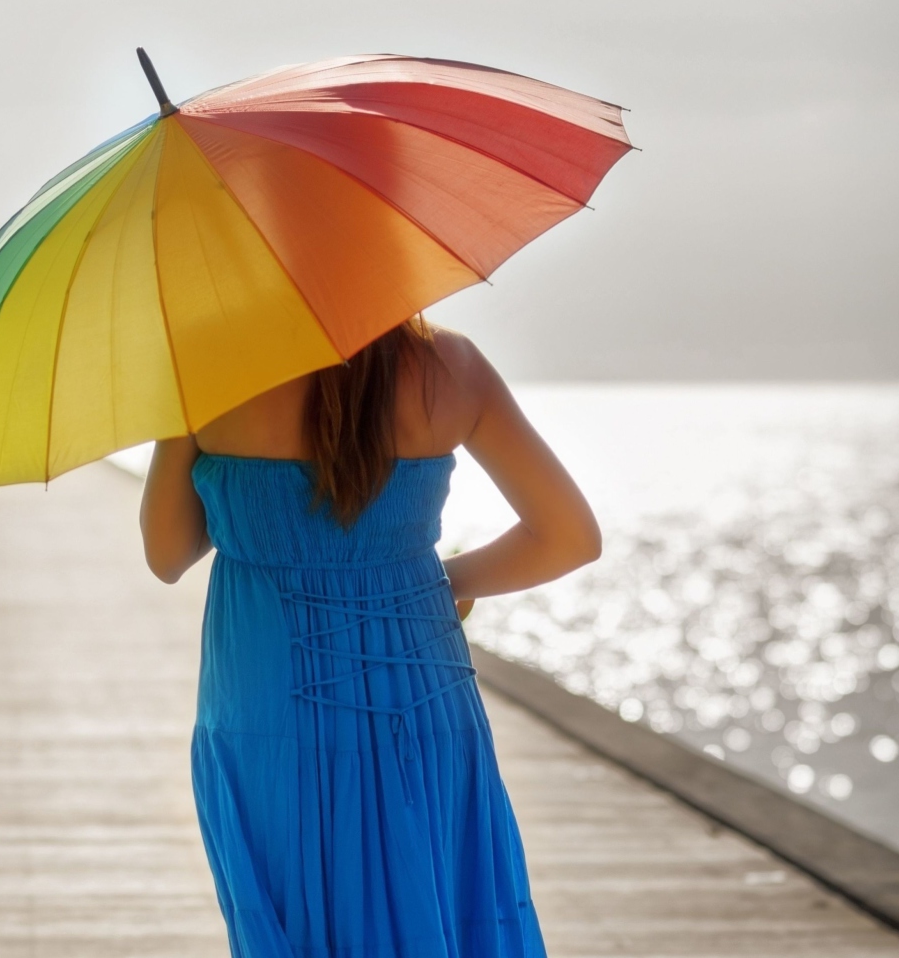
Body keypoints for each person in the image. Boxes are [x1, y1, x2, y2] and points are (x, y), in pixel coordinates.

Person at [139, 316, 602, 957]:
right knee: (437, 914)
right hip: (424, 702)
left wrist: (178, 412)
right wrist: (436, 585)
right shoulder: (452, 367)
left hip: (267, 714)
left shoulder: (209, 370)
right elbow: (569, 537)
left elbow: (167, 555)